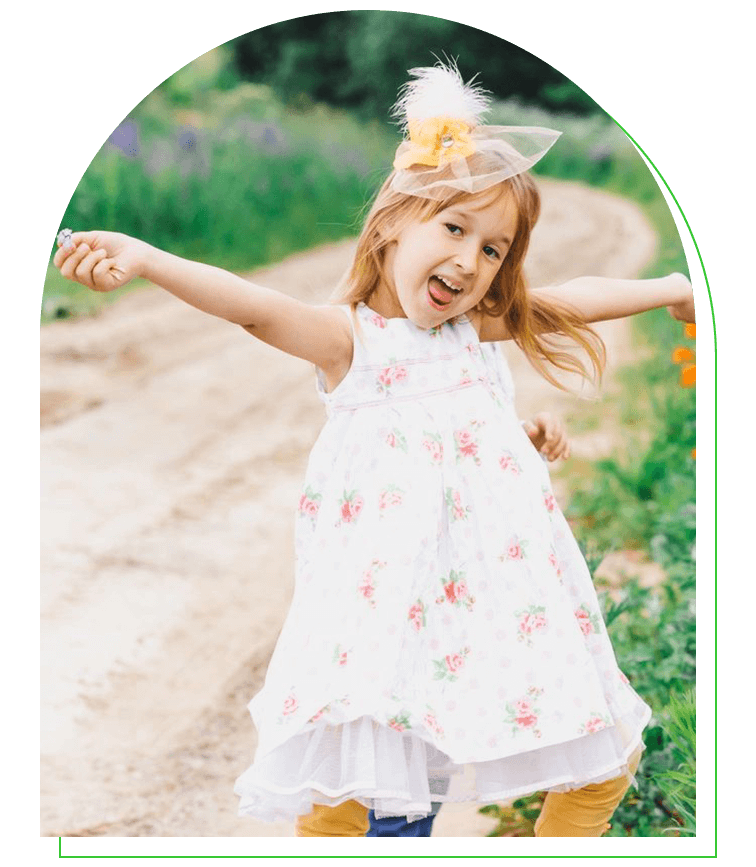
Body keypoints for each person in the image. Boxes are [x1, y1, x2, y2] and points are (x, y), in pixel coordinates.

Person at [52, 60, 695, 838]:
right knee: (372, 805)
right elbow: (254, 308)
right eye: (454, 228)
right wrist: (149, 258)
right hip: (384, 629)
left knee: (599, 761)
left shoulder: (473, 332)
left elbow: (567, 304)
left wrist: (668, 286)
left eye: (493, 249)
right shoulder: (351, 340)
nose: (469, 260)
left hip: (485, 614)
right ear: (393, 222)